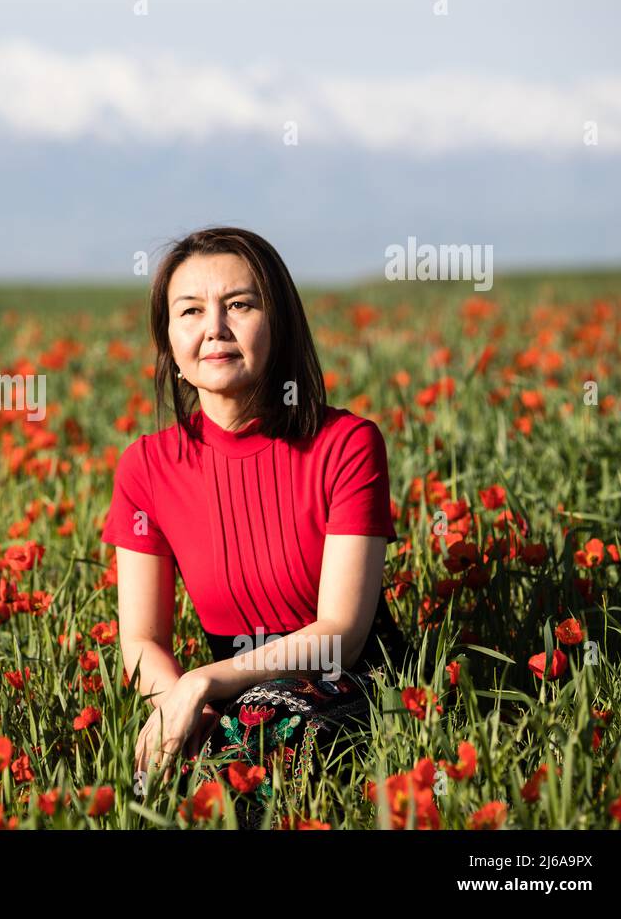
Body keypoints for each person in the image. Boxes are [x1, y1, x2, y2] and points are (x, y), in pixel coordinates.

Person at [100, 226, 410, 826]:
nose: (214, 327)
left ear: (281, 324)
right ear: (169, 340)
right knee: (158, 768)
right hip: (229, 694)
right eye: (190, 311)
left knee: (244, 746)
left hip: (354, 678)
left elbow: (340, 634)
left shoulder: (345, 445)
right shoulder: (146, 466)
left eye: (239, 305)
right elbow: (140, 641)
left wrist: (204, 684)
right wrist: (178, 703)